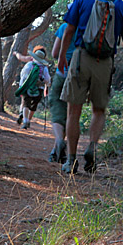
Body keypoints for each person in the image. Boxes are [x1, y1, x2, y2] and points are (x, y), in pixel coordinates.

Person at [57, 0, 123, 173]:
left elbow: (69, 31)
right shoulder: (121, 7)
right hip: (105, 63)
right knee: (99, 110)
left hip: (80, 58)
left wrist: (61, 58)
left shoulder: (83, 0)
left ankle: (71, 160)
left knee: (73, 110)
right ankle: (92, 147)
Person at [48, 20, 77, 163]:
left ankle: (59, 141)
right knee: (70, 114)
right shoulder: (88, 28)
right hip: (79, 76)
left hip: (63, 73)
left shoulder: (65, 27)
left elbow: (54, 53)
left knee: (57, 108)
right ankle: (55, 150)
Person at [14, 45, 51, 129]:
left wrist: (21, 86)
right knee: (33, 106)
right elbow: (47, 79)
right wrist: (47, 86)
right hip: (39, 89)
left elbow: (23, 75)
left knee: (25, 104)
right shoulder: (44, 67)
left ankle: (25, 120)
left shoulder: (29, 64)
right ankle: (29, 120)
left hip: (28, 87)